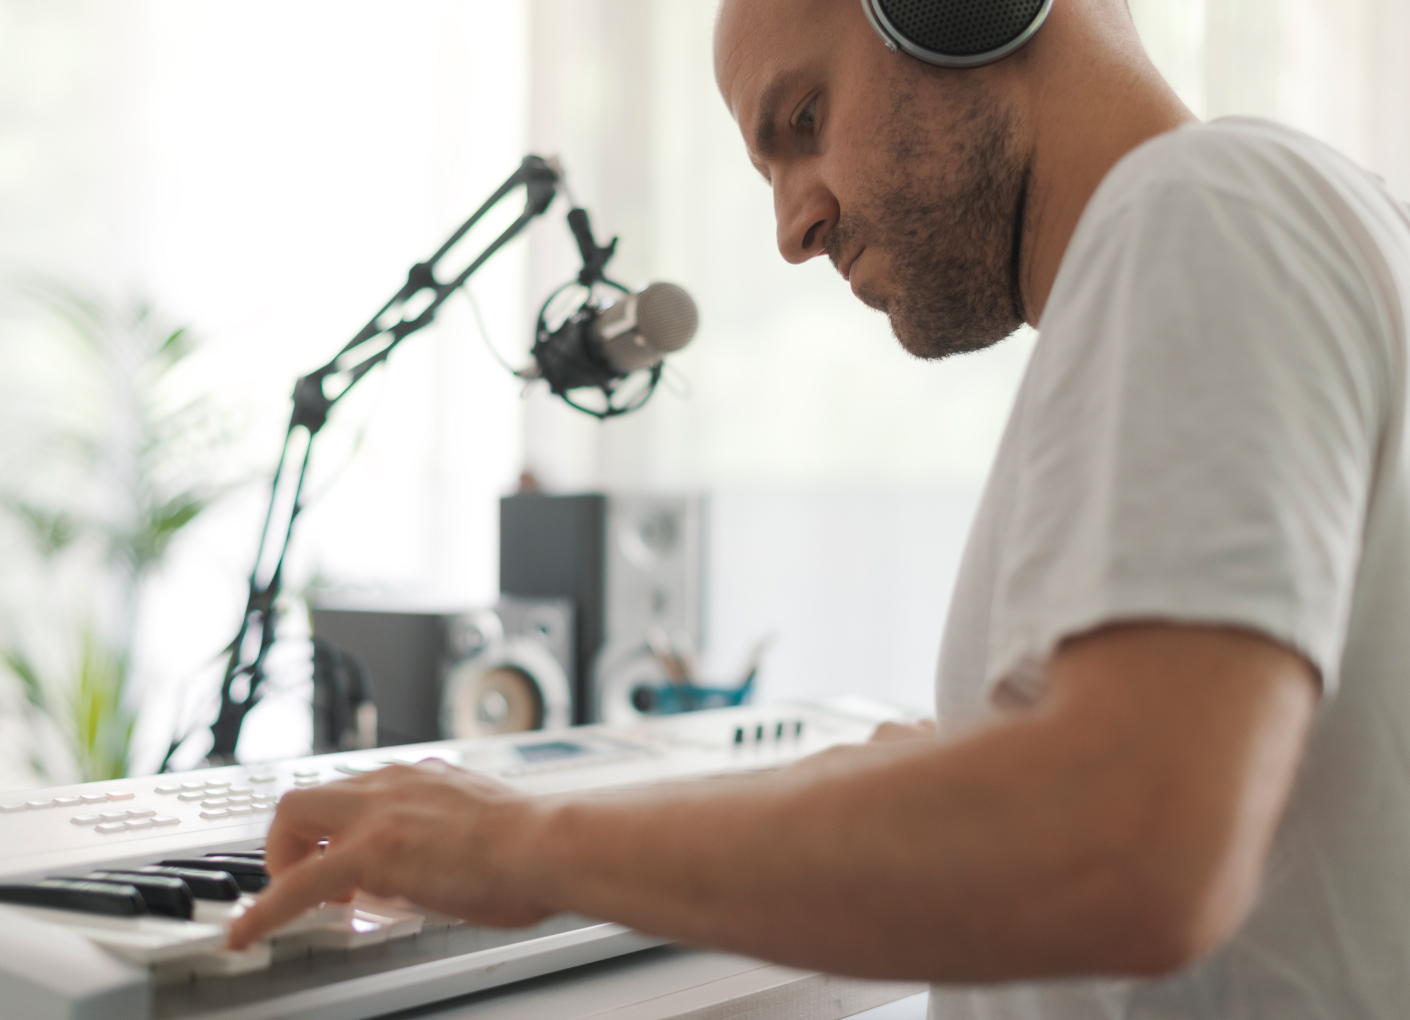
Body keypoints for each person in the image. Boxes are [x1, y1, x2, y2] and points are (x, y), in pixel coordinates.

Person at [231, 0, 1410, 1015]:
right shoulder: (1292, 226)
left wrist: (522, 843)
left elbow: (1129, 845)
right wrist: (973, 774)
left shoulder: (1203, 206)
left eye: (801, 124)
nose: (795, 228)